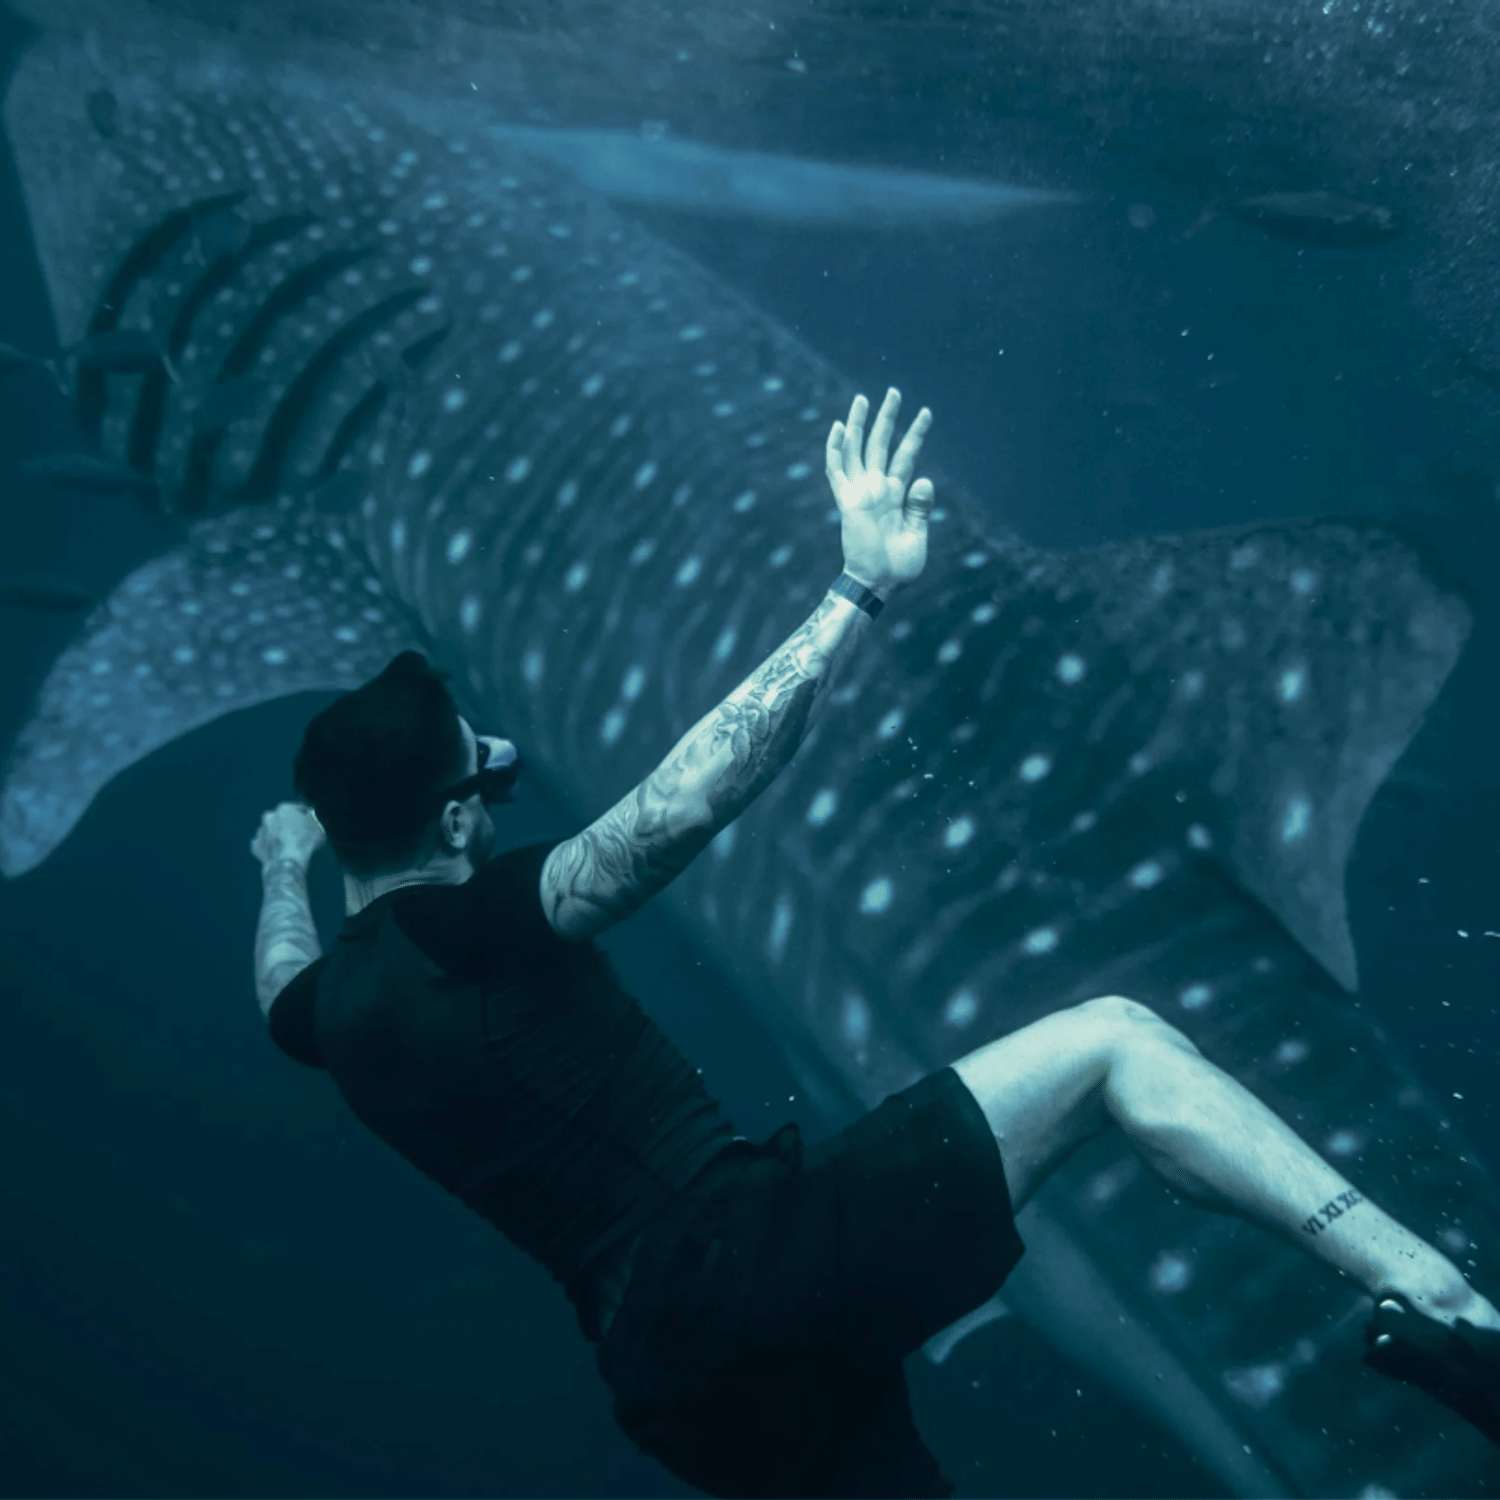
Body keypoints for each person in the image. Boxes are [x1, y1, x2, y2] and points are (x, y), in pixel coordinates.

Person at [251, 389, 1500, 1495]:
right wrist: (857, 590)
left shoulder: (328, 1014)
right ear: (456, 819)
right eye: (485, 775)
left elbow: (278, 983)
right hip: (761, 1259)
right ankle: (1448, 1303)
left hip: (670, 1386)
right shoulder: (483, 921)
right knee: (1117, 1044)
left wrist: (278, 866)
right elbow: (678, 807)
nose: (499, 787)